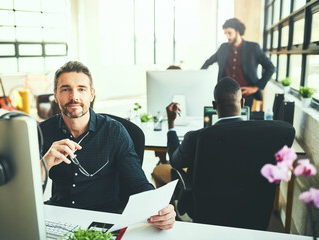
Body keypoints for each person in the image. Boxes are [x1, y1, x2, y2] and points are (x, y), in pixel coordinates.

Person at [39, 61, 175, 230]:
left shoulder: (114, 131)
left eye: (81, 89)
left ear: (92, 94)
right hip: (58, 216)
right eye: (66, 89)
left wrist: (160, 209)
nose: (74, 97)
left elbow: (137, 182)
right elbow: (26, 191)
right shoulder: (42, 132)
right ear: (56, 95)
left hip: (104, 219)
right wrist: (44, 164)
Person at [159, 77, 245, 218]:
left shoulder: (196, 137)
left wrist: (171, 124)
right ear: (242, 102)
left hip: (206, 208)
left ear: (214, 105)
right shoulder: (261, 135)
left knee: (159, 171)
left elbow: (175, 161)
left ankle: (171, 220)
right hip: (246, 207)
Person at [201, 18, 275, 109]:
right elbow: (207, 62)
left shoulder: (253, 48)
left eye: (229, 33)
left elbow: (271, 68)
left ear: (238, 31)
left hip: (245, 96)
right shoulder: (223, 48)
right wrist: (200, 78)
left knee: (243, 122)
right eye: (225, 33)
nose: (227, 36)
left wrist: (255, 88)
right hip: (224, 96)